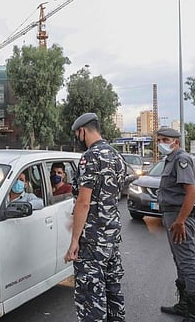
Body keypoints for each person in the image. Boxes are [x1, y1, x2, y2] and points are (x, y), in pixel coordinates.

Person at [64, 112, 127, 322]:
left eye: (77, 134)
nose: (78, 138)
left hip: (92, 240)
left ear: (82, 131)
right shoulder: (117, 156)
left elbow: (83, 202)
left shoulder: (90, 157)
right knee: (112, 290)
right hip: (111, 237)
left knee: (91, 297)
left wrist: (74, 241)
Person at [156, 127, 195, 322]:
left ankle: (193, 315)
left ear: (176, 141)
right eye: (159, 139)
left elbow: (191, 193)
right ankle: (184, 305)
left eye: (165, 139)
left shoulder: (181, 159)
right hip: (173, 217)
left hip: (179, 218)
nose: (161, 143)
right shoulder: (171, 159)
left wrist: (181, 221)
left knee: (188, 264)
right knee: (180, 262)